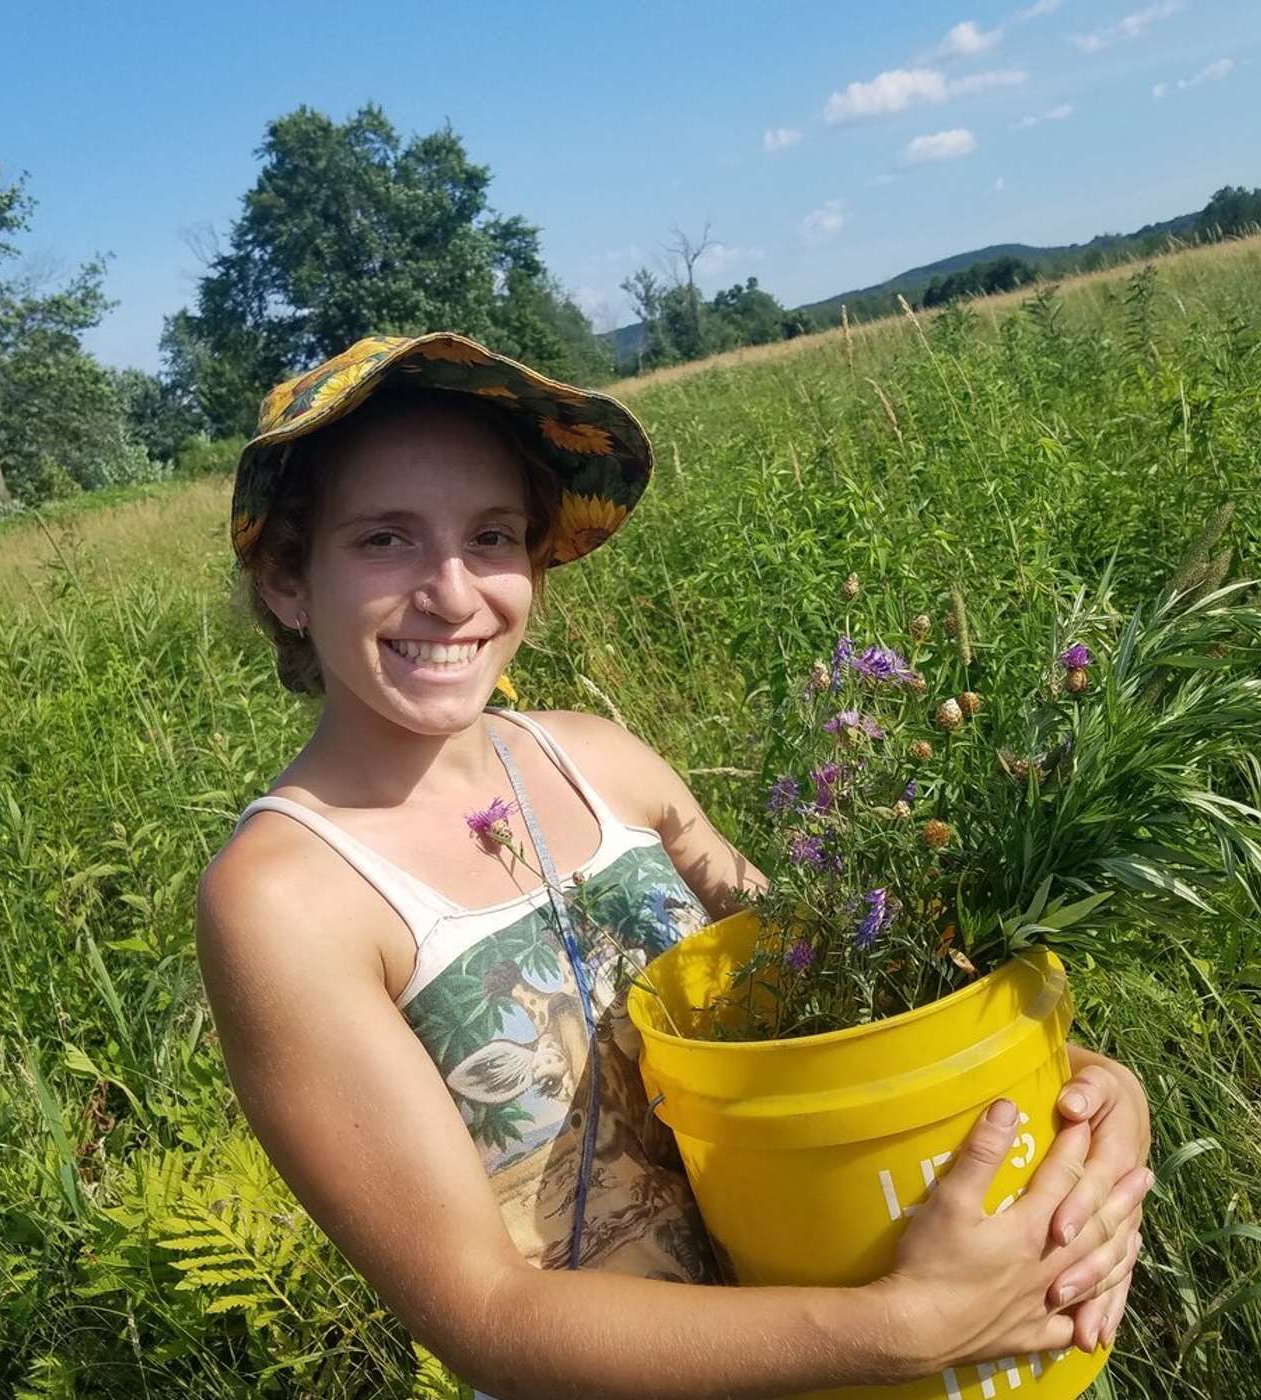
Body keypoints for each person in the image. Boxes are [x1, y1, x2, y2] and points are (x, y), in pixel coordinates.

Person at [195, 332, 1153, 1399]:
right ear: (286, 579)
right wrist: (905, 1322)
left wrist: (1087, 1086)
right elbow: (486, 1312)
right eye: (384, 540)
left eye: (492, 535)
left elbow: (852, 1000)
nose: (453, 592)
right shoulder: (287, 897)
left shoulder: (600, 760)